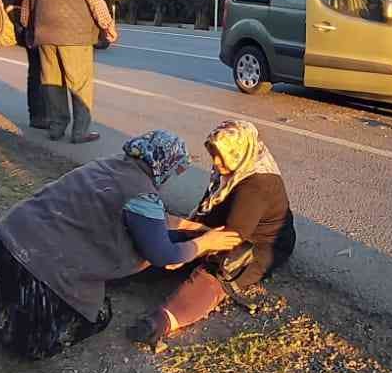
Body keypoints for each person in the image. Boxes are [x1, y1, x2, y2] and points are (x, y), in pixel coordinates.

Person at [0, 130, 242, 360]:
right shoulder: (141, 194)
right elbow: (163, 253)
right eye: (175, 169)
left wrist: (193, 227)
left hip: (3, 243)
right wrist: (206, 242)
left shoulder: (109, 167)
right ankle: (6, 330)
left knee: (11, 286)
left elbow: (154, 218)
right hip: (37, 269)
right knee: (89, 318)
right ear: (164, 164)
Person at [127, 120, 296, 351]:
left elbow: (232, 237)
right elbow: (207, 213)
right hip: (222, 227)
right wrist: (185, 241)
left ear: (239, 152)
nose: (215, 163)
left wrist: (190, 252)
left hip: (258, 244)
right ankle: (121, 272)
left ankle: (163, 320)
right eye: (213, 154)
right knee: (168, 241)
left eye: (221, 156)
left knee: (219, 269)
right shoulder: (234, 167)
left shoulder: (257, 185)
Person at [21, 0, 118, 144]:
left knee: (52, 82)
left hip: (45, 37)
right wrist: (109, 27)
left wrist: (29, 29)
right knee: (80, 84)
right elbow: (96, 3)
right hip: (76, 39)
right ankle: (80, 131)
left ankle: (56, 128)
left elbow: (26, 9)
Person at [5, 0, 54, 129]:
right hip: (31, 28)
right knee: (37, 72)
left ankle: (51, 114)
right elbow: (9, 0)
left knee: (51, 72)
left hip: (50, 27)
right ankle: (37, 116)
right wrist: (20, 24)